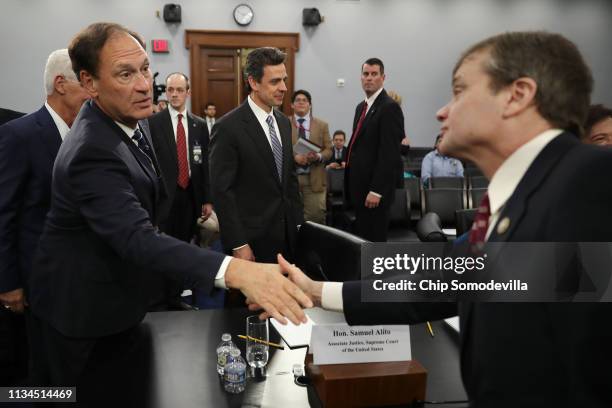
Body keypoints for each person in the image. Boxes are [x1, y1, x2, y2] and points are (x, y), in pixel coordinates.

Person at [274, 31, 612, 407]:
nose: (442, 111)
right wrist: (318, 291)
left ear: (517, 95)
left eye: (459, 91)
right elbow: (442, 280)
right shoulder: (518, 198)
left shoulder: (593, 179)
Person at [27, 23, 311, 395]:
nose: (146, 84)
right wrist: (238, 270)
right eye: (126, 74)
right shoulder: (91, 151)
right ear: (90, 83)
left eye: (146, 69)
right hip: (86, 322)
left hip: (124, 305)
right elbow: (137, 237)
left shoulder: (123, 122)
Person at [0, 48, 90, 385]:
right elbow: (4, 213)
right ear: (61, 84)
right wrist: (8, 283)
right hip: (36, 284)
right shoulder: (19, 135)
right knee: (40, 375)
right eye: (85, 83)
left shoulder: (86, 136)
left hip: (78, 282)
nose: (93, 92)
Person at [209, 47, 303, 264]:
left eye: (284, 80)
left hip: (288, 238)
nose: (284, 88)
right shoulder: (227, 128)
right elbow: (222, 192)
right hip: (252, 242)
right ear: (253, 82)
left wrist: (299, 225)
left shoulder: (283, 123)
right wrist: (239, 244)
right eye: (275, 81)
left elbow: (289, 180)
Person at [147, 72, 213, 309]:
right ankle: (161, 296)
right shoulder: (153, 122)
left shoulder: (199, 124)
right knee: (163, 245)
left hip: (190, 196)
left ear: (188, 93)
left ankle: (177, 295)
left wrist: (207, 199)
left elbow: (205, 163)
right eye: (170, 89)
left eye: (178, 90)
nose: (173, 94)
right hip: (165, 197)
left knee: (184, 245)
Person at [344, 58, 404, 242]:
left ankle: (374, 272)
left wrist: (377, 190)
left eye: (374, 74)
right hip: (358, 188)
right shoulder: (360, 107)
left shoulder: (389, 107)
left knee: (373, 244)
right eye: (365, 74)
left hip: (374, 192)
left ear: (383, 78)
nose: (369, 78)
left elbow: (390, 154)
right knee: (361, 242)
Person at [290, 89, 332, 224]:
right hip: (290, 180)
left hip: (314, 179)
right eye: (298, 100)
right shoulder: (283, 123)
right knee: (291, 219)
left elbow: (329, 150)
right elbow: (276, 148)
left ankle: (314, 245)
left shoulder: (322, 125)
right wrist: (294, 157)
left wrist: (318, 156)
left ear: (310, 105)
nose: (301, 102)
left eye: (305, 100)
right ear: (292, 105)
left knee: (316, 219)